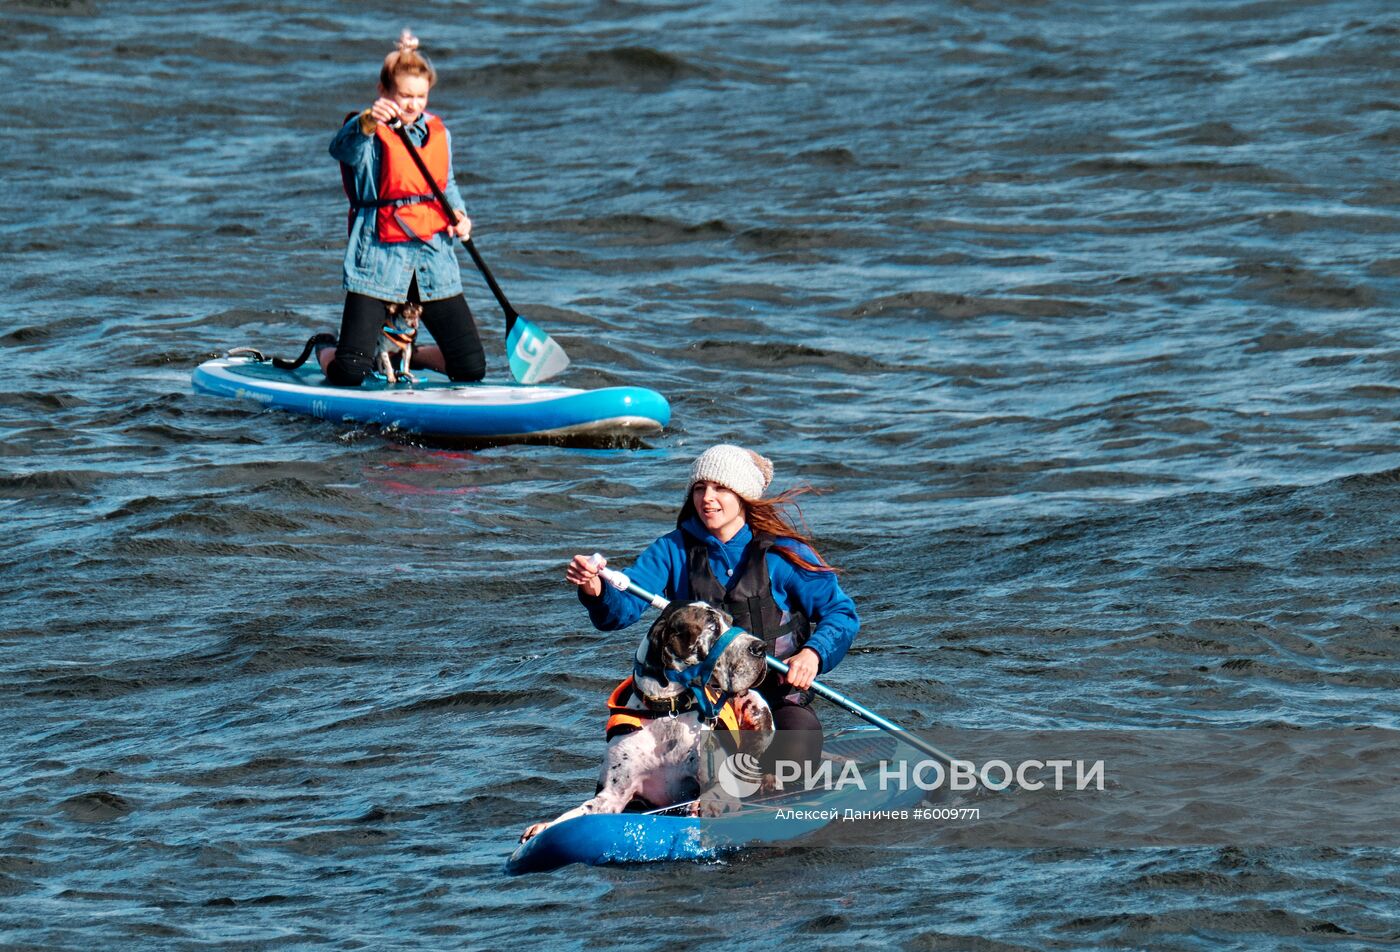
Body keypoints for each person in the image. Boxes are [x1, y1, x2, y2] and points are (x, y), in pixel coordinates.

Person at [567, 444, 860, 777]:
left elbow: (841, 613)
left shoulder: (783, 553)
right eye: (700, 488)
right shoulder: (671, 550)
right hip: (697, 707)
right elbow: (620, 610)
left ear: (743, 496)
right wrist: (595, 588)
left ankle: (777, 791)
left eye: (720, 488)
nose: (707, 497)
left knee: (798, 741)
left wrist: (813, 654)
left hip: (775, 700)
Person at [319, 30, 486, 386]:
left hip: (433, 260)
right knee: (350, 373)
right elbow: (341, 149)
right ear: (384, 92)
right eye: (405, 96)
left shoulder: (438, 132)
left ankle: (402, 354)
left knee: (471, 369)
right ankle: (324, 347)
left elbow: (446, 184)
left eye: (420, 96)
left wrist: (460, 214)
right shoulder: (364, 129)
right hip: (379, 260)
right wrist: (366, 121)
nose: (413, 104)